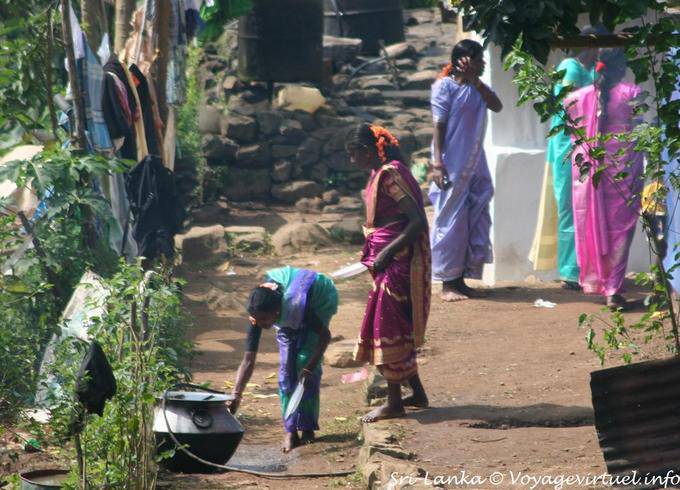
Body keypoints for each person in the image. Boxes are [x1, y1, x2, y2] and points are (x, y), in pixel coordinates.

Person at [345, 124, 431, 423]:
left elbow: (417, 221)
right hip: (387, 259)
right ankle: (417, 393)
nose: (351, 160)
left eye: (353, 154)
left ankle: (394, 403)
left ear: (368, 151)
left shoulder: (391, 174)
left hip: (396, 261)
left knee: (387, 327)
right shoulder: (378, 173)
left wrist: (386, 252)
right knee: (395, 324)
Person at [565, 48, 644, 310]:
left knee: (595, 227)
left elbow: (570, 130)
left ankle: (602, 283)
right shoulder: (631, 94)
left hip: (590, 173)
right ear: (621, 68)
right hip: (623, 171)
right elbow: (641, 129)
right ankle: (613, 289)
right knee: (620, 231)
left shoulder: (577, 98)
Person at [228, 266, 338, 452]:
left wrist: (309, 367)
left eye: (264, 320)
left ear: (277, 312)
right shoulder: (259, 309)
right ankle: (290, 431)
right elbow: (248, 359)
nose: (261, 325)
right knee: (286, 374)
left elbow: (324, 336)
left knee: (304, 360)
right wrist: (235, 395)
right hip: (290, 308)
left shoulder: (292, 304)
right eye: (257, 320)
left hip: (317, 297)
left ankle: (308, 428)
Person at [530, 26, 605, 289]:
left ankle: (583, 266)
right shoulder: (571, 68)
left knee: (583, 209)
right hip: (568, 147)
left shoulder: (587, 69)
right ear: (591, 45)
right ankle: (570, 272)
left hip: (582, 146)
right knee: (569, 208)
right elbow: (571, 106)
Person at [429, 39, 503, 302]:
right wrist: (437, 164)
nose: (483, 64)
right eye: (478, 59)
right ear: (464, 61)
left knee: (473, 219)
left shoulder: (477, 89)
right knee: (451, 222)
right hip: (452, 163)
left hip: (474, 163)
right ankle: (447, 282)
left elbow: (497, 105)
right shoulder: (444, 87)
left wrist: (477, 82)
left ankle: (460, 279)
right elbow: (438, 126)